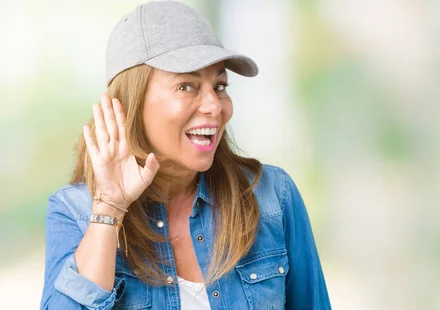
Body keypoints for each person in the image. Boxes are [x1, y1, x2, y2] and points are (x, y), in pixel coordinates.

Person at [39, 1, 330, 309]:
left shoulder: (273, 195)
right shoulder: (75, 213)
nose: (214, 106)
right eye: (186, 86)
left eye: (219, 86)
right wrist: (109, 208)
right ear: (129, 103)